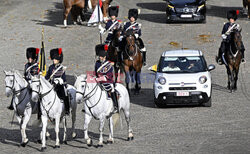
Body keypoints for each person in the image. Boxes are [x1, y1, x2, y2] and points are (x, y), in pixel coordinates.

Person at [95, 44, 119, 114]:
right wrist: (95, 78)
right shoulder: (97, 63)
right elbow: (96, 72)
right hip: (99, 81)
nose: (100, 58)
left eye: (101, 57)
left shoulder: (108, 64)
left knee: (111, 89)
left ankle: (115, 106)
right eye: (99, 56)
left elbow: (109, 76)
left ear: (105, 57)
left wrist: (100, 78)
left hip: (108, 81)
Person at [45, 48, 70, 115]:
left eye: (55, 59)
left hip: (59, 85)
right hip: (52, 84)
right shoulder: (51, 67)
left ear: (59, 60)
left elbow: (64, 78)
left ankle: (67, 109)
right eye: (53, 59)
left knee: (65, 94)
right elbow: (47, 76)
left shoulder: (62, 68)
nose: (54, 60)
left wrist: (62, 82)